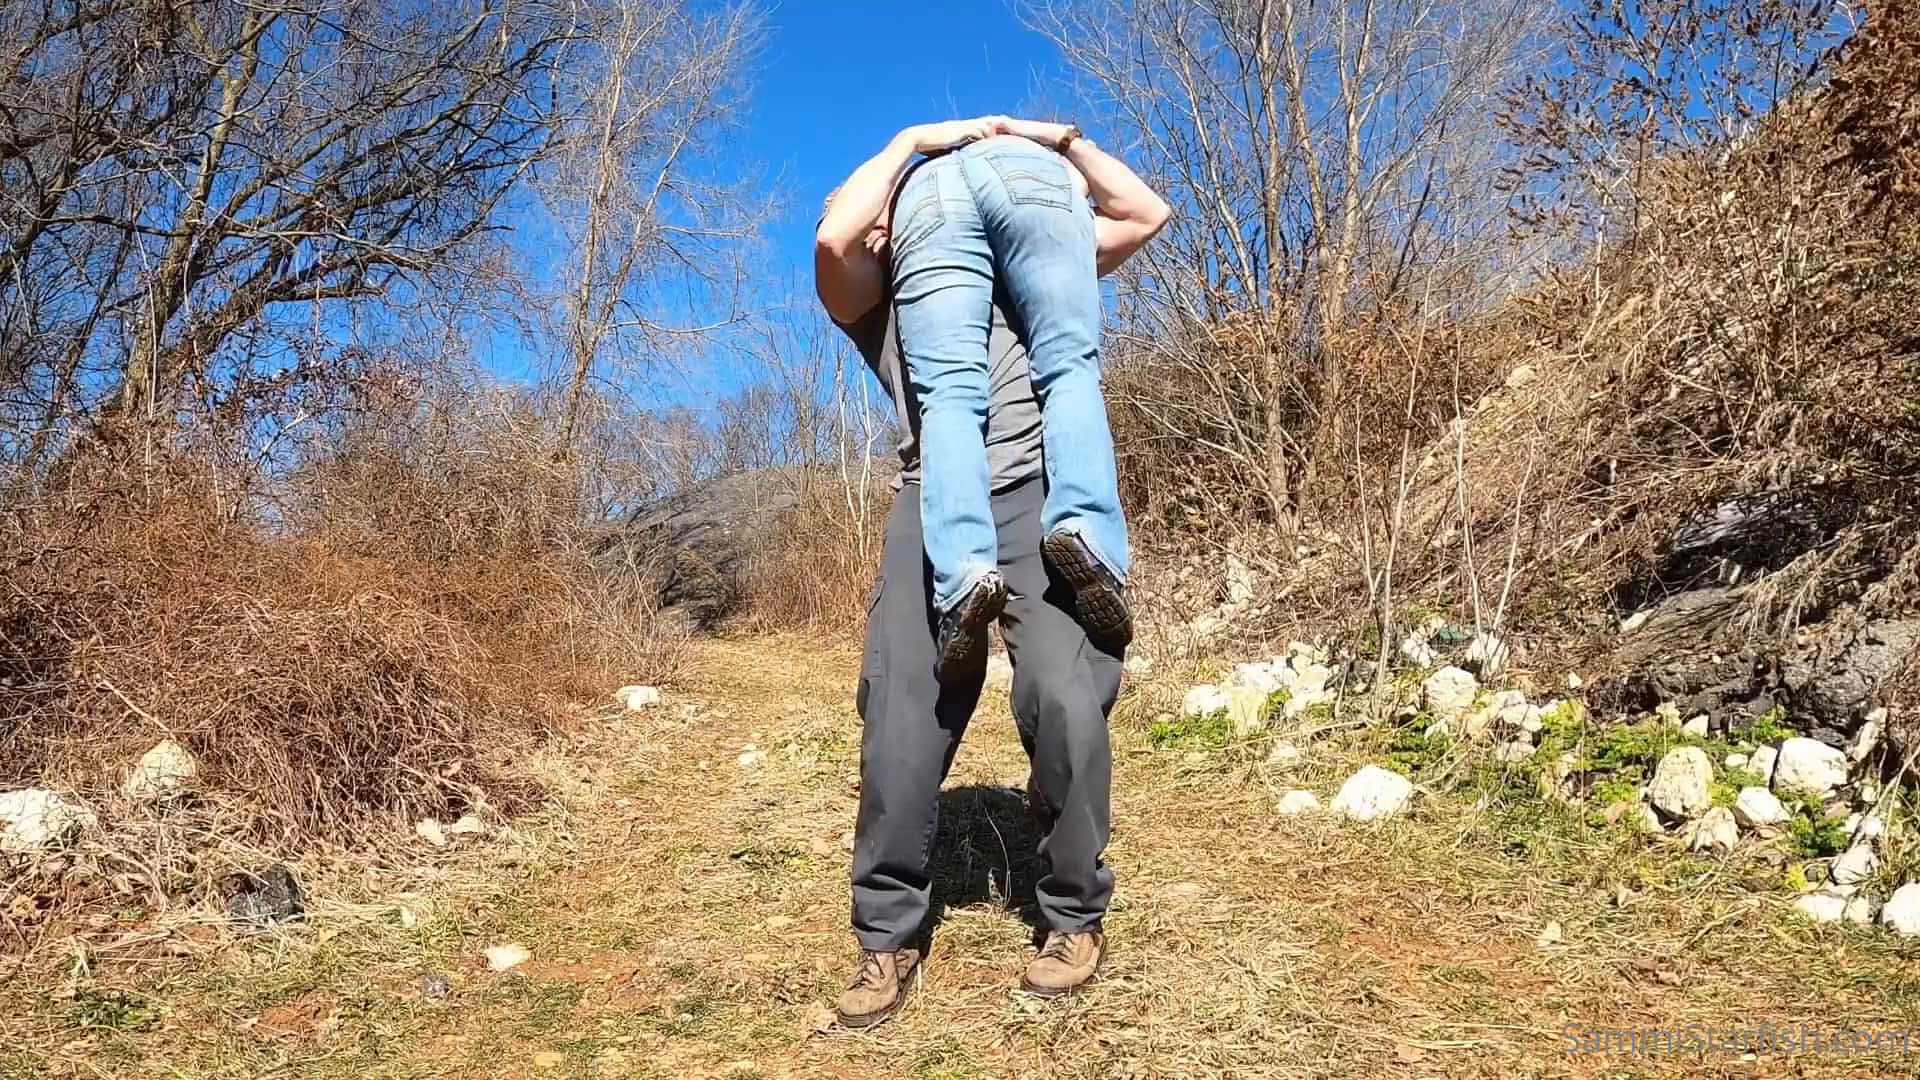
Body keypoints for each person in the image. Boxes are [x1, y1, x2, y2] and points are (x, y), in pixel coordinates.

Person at [814, 116, 1170, 1030]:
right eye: (877, 208)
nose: (880, 216)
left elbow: (1142, 212)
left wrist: (1062, 144)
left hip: (1046, 505)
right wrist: (908, 145)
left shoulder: (1023, 269)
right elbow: (835, 239)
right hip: (932, 507)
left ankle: (1073, 914)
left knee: (1065, 697)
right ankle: (887, 935)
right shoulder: (880, 299)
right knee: (901, 718)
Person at [832, 117, 1147, 681]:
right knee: (1069, 366)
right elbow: (1146, 212)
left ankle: (964, 574)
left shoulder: (914, 208)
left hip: (929, 198)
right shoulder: (865, 289)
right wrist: (1051, 140)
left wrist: (909, 147)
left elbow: (836, 233)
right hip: (1030, 170)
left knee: (949, 397)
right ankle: (1086, 532)